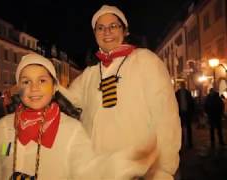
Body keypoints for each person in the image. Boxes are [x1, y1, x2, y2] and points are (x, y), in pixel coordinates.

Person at [0, 54, 158, 180]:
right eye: (26, 81)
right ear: (18, 88)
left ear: (55, 88)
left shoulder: (71, 130)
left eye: (42, 81)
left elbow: (91, 171)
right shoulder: (3, 127)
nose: (34, 88)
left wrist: (125, 162)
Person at [59, 5, 181, 179]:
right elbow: (67, 101)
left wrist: (164, 169)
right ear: (95, 34)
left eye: (113, 26)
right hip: (97, 169)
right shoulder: (91, 72)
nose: (107, 32)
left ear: (125, 31)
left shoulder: (146, 60)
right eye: (100, 28)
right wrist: (36, 85)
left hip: (138, 170)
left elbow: (166, 118)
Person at [175, 82, 195, 148]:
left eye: (183, 85)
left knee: (188, 128)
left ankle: (190, 143)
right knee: (180, 129)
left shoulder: (188, 93)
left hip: (187, 112)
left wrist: (192, 112)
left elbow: (191, 103)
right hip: (180, 113)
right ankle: (181, 143)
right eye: (182, 85)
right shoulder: (177, 93)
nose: (182, 86)